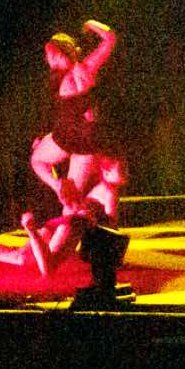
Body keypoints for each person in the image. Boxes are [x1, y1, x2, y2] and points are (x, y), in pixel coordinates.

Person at [27, 19, 127, 224]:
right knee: (72, 199)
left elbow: (63, 116)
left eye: (49, 56)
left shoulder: (60, 78)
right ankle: (88, 219)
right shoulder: (87, 68)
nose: (48, 61)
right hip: (87, 140)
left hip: (67, 135)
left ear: (57, 54)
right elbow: (110, 38)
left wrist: (43, 139)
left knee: (37, 160)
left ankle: (59, 187)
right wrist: (92, 24)